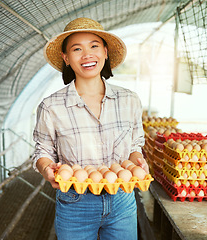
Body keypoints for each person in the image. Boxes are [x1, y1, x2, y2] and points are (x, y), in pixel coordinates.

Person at [32, 17, 149, 240]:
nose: (87, 55)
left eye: (94, 46)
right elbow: (42, 151)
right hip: (75, 202)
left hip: (122, 199)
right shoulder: (51, 106)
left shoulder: (129, 100)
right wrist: (47, 169)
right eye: (77, 49)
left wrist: (136, 162)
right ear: (66, 58)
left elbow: (135, 145)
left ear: (105, 52)